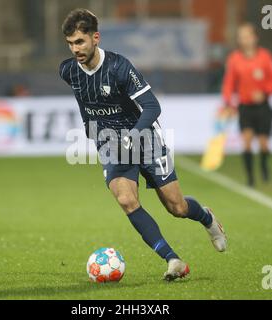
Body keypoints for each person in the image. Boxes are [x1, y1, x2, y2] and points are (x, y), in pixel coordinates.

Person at [59, 8, 226, 281]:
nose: (75, 49)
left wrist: (132, 134)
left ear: (95, 38)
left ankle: (207, 218)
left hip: (144, 137)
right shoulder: (67, 71)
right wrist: (92, 129)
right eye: (70, 43)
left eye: (80, 41)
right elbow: (84, 100)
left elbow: (152, 106)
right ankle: (173, 260)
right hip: (111, 143)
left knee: (177, 208)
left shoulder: (119, 67)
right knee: (126, 200)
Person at [222, 23, 272, 187]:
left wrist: (265, 92)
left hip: (263, 106)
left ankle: (263, 165)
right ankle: (250, 178)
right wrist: (228, 102)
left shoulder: (265, 57)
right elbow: (229, 83)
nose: (243, 39)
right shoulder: (234, 59)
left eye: (247, 36)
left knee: (263, 143)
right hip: (245, 106)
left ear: (255, 38)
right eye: (241, 36)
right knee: (246, 141)